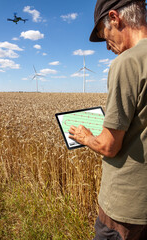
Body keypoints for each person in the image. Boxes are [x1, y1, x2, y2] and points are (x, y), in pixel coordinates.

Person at [69, 0, 147, 239]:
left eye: (105, 36)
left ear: (115, 18)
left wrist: (85, 136)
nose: (106, 47)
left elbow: (109, 146)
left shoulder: (127, 62)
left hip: (127, 208)